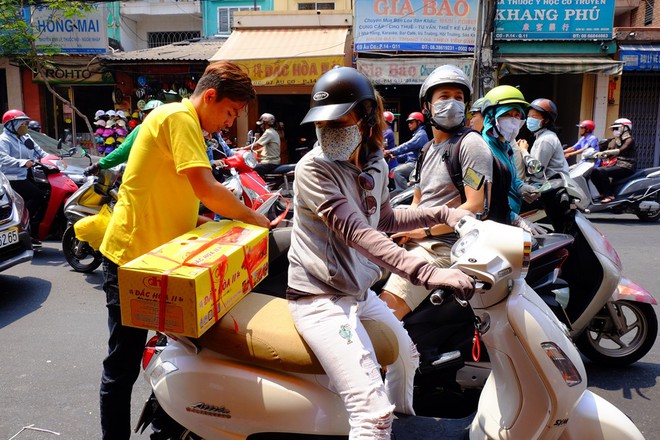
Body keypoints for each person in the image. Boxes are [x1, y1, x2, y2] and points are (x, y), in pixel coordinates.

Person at [288, 66, 475, 439]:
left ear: (366, 118)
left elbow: (383, 217)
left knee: (408, 357)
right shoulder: (314, 169)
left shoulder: (374, 161)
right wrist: (427, 271)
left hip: (357, 290)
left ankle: (403, 427)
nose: (328, 133)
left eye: (339, 121)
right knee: (372, 415)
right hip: (319, 298)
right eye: (322, 125)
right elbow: (358, 232)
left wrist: (444, 214)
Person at [97, 61, 270, 440]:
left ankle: (174, 422)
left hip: (162, 261)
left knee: (182, 347)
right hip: (131, 259)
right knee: (122, 366)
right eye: (229, 112)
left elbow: (181, 195)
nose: (229, 122)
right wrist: (251, 218)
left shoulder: (181, 120)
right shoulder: (179, 118)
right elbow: (206, 189)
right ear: (209, 96)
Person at [380, 65, 493, 320]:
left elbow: (475, 207)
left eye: (458, 97)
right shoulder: (427, 149)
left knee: (381, 316)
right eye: (444, 96)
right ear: (427, 106)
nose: (452, 103)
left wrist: (423, 231)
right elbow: (417, 202)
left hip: (441, 246)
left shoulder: (471, 144)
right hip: (417, 240)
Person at [479, 85, 543, 231]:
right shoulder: (482, 148)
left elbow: (511, 178)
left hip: (508, 217)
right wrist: (515, 219)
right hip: (493, 224)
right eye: (507, 114)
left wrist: (521, 187)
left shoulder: (506, 147)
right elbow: (484, 198)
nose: (514, 121)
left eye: (517, 115)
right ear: (491, 117)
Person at [0, 109, 49, 244]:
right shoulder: (4, 140)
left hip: (25, 175)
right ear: (12, 125)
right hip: (11, 178)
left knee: (43, 196)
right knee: (36, 196)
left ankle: (30, 229)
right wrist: (23, 163)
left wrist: (52, 158)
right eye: (23, 124)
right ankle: (23, 223)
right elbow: (3, 159)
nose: (26, 127)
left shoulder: (26, 138)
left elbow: (39, 151)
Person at [84, 100, 164, 175]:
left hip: (146, 179)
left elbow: (122, 152)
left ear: (144, 115)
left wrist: (99, 165)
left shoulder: (143, 129)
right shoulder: (172, 130)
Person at [516, 98, 569, 183]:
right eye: (529, 116)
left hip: (549, 187)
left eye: (534, 117)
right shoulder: (543, 136)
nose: (529, 119)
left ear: (546, 120)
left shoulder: (546, 139)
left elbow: (537, 171)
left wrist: (523, 151)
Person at [590, 118, 637, 203]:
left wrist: (607, 152)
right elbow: (612, 153)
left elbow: (621, 150)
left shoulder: (629, 140)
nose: (614, 131)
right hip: (617, 164)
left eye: (616, 128)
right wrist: (602, 152)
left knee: (601, 171)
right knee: (593, 171)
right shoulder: (617, 141)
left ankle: (609, 195)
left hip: (627, 166)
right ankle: (603, 193)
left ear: (625, 128)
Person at [385, 111, 428, 192]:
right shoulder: (417, 134)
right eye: (408, 122)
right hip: (412, 162)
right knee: (393, 170)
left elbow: (407, 146)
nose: (409, 124)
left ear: (419, 122)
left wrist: (391, 151)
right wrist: (397, 156)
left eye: (411, 122)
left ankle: (403, 194)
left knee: (397, 172)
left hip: (416, 164)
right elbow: (410, 153)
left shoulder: (421, 135)